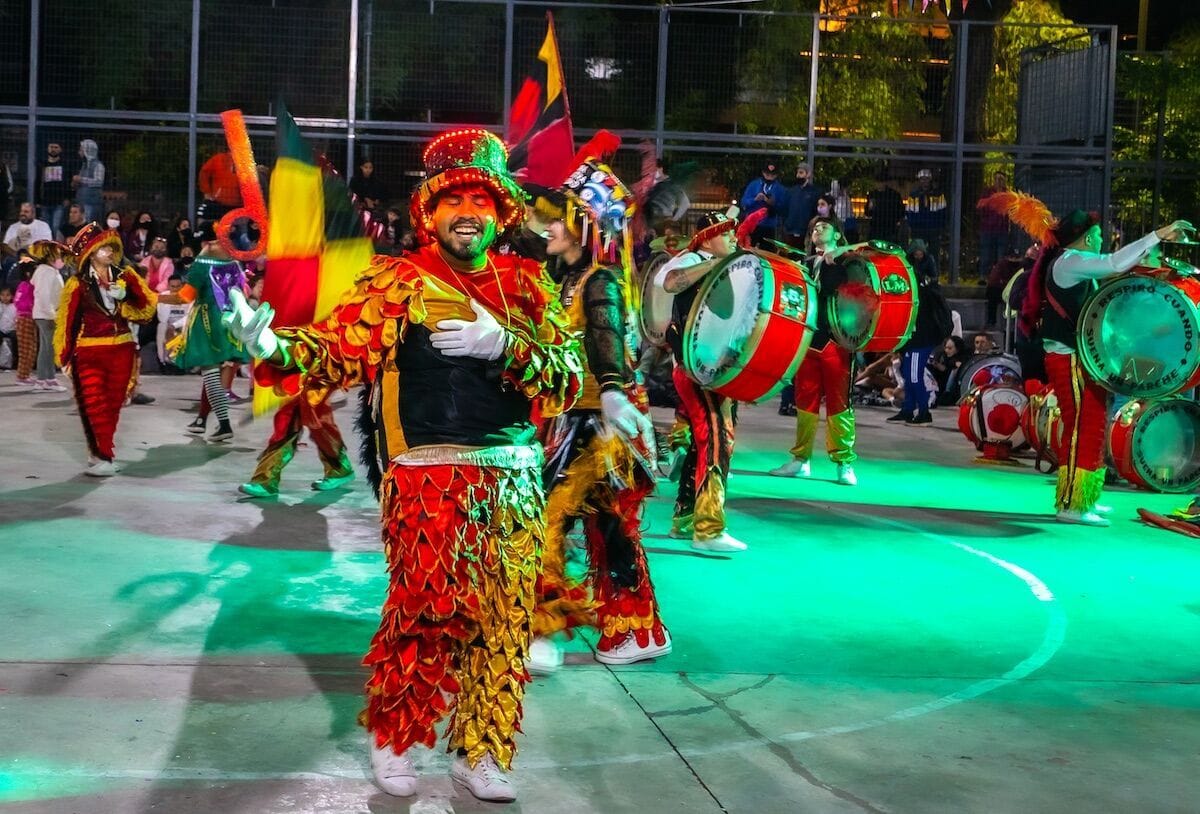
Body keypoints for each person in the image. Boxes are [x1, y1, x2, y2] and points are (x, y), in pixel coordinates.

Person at [222, 127, 582, 802]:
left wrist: (504, 343)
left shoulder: (527, 285)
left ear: (500, 209)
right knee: (425, 613)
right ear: (430, 212)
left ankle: (481, 750)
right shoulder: (400, 280)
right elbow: (335, 349)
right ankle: (394, 735)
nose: (467, 210)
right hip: (428, 476)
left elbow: (566, 377)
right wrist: (269, 340)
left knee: (504, 623)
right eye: (453, 199)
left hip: (514, 479)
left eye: (481, 196)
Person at [521, 165, 669, 675]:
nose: (547, 229)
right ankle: (629, 629)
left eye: (557, 221)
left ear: (585, 226)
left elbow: (604, 335)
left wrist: (609, 389)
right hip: (569, 421)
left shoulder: (597, 280)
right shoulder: (560, 278)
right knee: (600, 528)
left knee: (567, 521)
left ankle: (556, 629)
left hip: (599, 427)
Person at [1026, 210, 1192, 526]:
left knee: (1094, 425)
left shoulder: (1075, 264)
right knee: (1079, 428)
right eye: (1099, 235)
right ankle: (1069, 505)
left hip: (1081, 358)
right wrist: (1158, 234)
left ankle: (1083, 497)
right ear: (1087, 237)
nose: (1103, 240)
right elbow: (1115, 262)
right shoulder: (1071, 261)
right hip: (1068, 359)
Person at [660, 210, 746, 552]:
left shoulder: (729, 267)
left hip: (714, 369)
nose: (734, 240)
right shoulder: (693, 258)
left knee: (701, 445)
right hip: (698, 370)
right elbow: (669, 282)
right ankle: (708, 529)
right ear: (710, 236)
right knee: (716, 441)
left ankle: (683, 519)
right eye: (728, 235)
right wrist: (712, 264)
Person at [54, 225, 157, 475]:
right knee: (94, 404)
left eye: (112, 247)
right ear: (91, 252)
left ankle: (99, 452)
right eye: (103, 248)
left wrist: (125, 298)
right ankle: (103, 456)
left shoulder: (127, 275)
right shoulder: (77, 283)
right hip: (88, 350)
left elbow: (146, 309)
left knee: (112, 405)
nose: (109, 251)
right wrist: (64, 358)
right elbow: (67, 322)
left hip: (122, 349)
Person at [770, 216, 858, 485]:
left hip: (836, 341)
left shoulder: (848, 263)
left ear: (838, 235)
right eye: (814, 228)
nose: (817, 230)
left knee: (839, 404)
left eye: (824, 227)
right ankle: (801, 460)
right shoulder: (806, 264)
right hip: (809, 341)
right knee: (804, 404)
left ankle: (844, 462)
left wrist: (840, 255)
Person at [159, 221, 250, 443]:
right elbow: (244, 292)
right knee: (221, 372)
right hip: (231, 320)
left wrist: (154, 297)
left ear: (206, 241)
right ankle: (206, 421)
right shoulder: (234, 261)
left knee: (210, 375)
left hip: (208, 320)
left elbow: (185, 296)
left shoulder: (203, 261)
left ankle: (224, 424)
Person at [29, 241, 66, 392]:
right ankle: (44, 379)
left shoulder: (49, 271)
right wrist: (52, 314)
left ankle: (47, 378)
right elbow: (43, 296)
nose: (61, 259)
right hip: (46, 315)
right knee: (47, 347)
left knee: (47, 347)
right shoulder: (45, 272)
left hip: (48, 313)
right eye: (58, 255)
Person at [738, 162, 783, 249]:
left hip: (770, 226)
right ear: (763, 173)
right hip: (752, 225)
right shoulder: (754, 185)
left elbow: (782, 207)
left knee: (767, 252)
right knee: (749, 250)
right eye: (767, 174)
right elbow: (744, 202)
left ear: (776, 175)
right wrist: (754, 200)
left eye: (772, 175)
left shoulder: (779, 188)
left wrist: (771, 203)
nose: (769, 177)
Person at [976, 172, 1011, 282]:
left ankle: (998, 277)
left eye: (1001, 179)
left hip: (1001, 229)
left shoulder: (1007, 194)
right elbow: (981, 207)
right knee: (986, 254)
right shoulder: (988, 193)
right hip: (988, 228)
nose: (999, 182)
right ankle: (983, 276)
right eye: (997, 179)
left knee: (1000, 256)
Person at [905, 169, 946, 256]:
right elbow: (909, 212)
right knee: (918, 254)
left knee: (934, 254)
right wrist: (912, 226)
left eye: (926, 178)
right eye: (922, 179)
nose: (924, 181)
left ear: (930, 179)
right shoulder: (913, 195)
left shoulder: (938, 194)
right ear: (919, 180)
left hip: (934, 229)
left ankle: (934, 269)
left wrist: (940, 227)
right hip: (918, 230)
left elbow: (943, 212)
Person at [36, 142, 71, 238]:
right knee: (46, 228)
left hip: (59, 201)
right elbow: (37, 182)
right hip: (45, 201)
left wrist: (68, 197)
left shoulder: (65, 164)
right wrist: (37, 200)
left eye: (56, 147)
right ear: (47, 148)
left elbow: (68, 183)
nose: (53, 149)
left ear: (60, 149)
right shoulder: (42, 164)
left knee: (56, 227)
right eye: (51, 147)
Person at [782, 163, 820, 251]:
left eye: (801, 173)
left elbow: (818, 211)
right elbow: (784, 210)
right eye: (797, 173)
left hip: (806, 233)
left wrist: (814, 220)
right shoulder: (791, 191)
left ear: (808, 174)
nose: (798, 176)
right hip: (790, 232)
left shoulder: (815, 192)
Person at [12, 260, 37, 384]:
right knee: (27, 349)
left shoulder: (22, 285)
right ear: (28, 273)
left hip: (23, 318)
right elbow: (22, 303)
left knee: (29, 348)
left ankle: (24, 374)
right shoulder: (28, 286)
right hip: (26, 318)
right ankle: (22, 376)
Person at [72, 140, 105, 223]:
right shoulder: (84, 165)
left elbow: (99, 182)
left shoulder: (98, 165)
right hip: (81, 202)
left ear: (87, 150)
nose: (79, 152)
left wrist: (81, 179)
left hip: (91, 202)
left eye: (81, 149)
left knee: (89, 225)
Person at [865, 174, 904, 244]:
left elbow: (900, 210)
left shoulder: (893, 195)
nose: (878, 185)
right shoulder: (872, 194)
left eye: (880, 182)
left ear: (885, 183)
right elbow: (868, 212)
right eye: (877, 182)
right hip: (878, 226)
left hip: (888, 226)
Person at [930, 335, 968, 404]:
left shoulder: (963, 357)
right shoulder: (941, 355)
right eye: (946, 348)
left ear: (957, 349)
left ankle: (947, 394)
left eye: (950, 348)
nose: (946, 350)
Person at [0, 286, 16, 369]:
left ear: (12, 296)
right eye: (2, 295)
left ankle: (14, 361)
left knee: (15, 338)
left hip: (11, 329)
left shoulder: (14, 306)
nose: (5, 297)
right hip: (1, 330)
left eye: (7, 295)